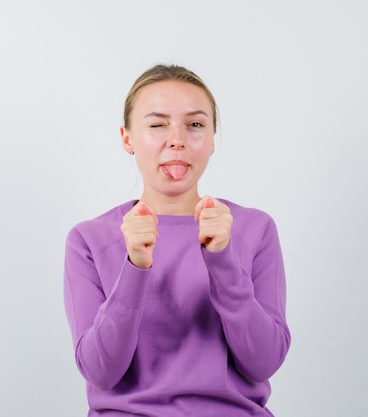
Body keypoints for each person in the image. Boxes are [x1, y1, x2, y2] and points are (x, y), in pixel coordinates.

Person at [63, 64, 291, 416]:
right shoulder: (90, 239)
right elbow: (99, 371)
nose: (178, 140)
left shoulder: (253, 229)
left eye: (195, 124)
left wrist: (223, 260)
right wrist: (135, 266)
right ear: (127, 138)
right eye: (157, 124)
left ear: (213, 139)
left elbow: (263, 362)